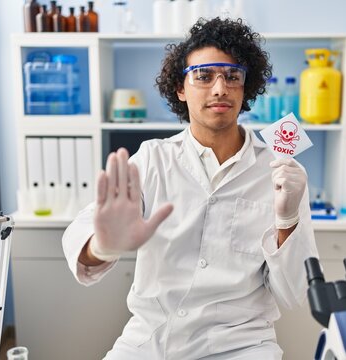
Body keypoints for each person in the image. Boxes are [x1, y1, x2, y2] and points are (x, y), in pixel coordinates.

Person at [62, 17, 318, 360]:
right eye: (204, 76)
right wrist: (104, 246)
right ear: (180, 89)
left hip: (241, 345)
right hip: (151, 340)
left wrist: (287, 222)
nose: (219, 89)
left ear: (247, 87)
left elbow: (293, 293)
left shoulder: (281, 173)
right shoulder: (153, 159)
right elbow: (84, 234)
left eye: (232, 76)